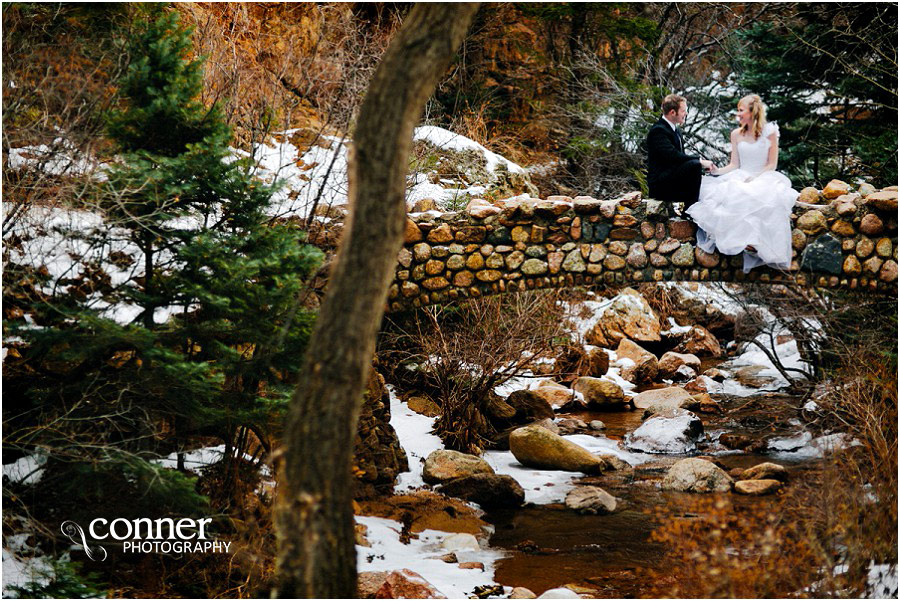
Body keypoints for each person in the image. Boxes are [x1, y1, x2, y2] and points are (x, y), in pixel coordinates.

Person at [686, 94, 799, 273]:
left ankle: (756, 244)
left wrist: (757, 178)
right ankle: (740, 242)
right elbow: (734, 164)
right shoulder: (736, 134)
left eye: (741, 110)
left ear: (752, 112)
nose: (738, 114)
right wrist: (716, 171)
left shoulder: (770, 132)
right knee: (726, 194)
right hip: (740, 175)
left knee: (762, 197)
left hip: (764, 176)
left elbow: (772, 164)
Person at [646, 94, 714, 210]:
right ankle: (689, 211)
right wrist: (700, 161)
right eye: (683, 111)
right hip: (660, 185)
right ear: (673, 112)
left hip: (671, 178)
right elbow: (673, 156)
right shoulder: (658, 131)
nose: (686, 114)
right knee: (694, 165)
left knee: (697, 170)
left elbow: (680, 158)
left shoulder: (675, 130)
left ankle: (695, 209)